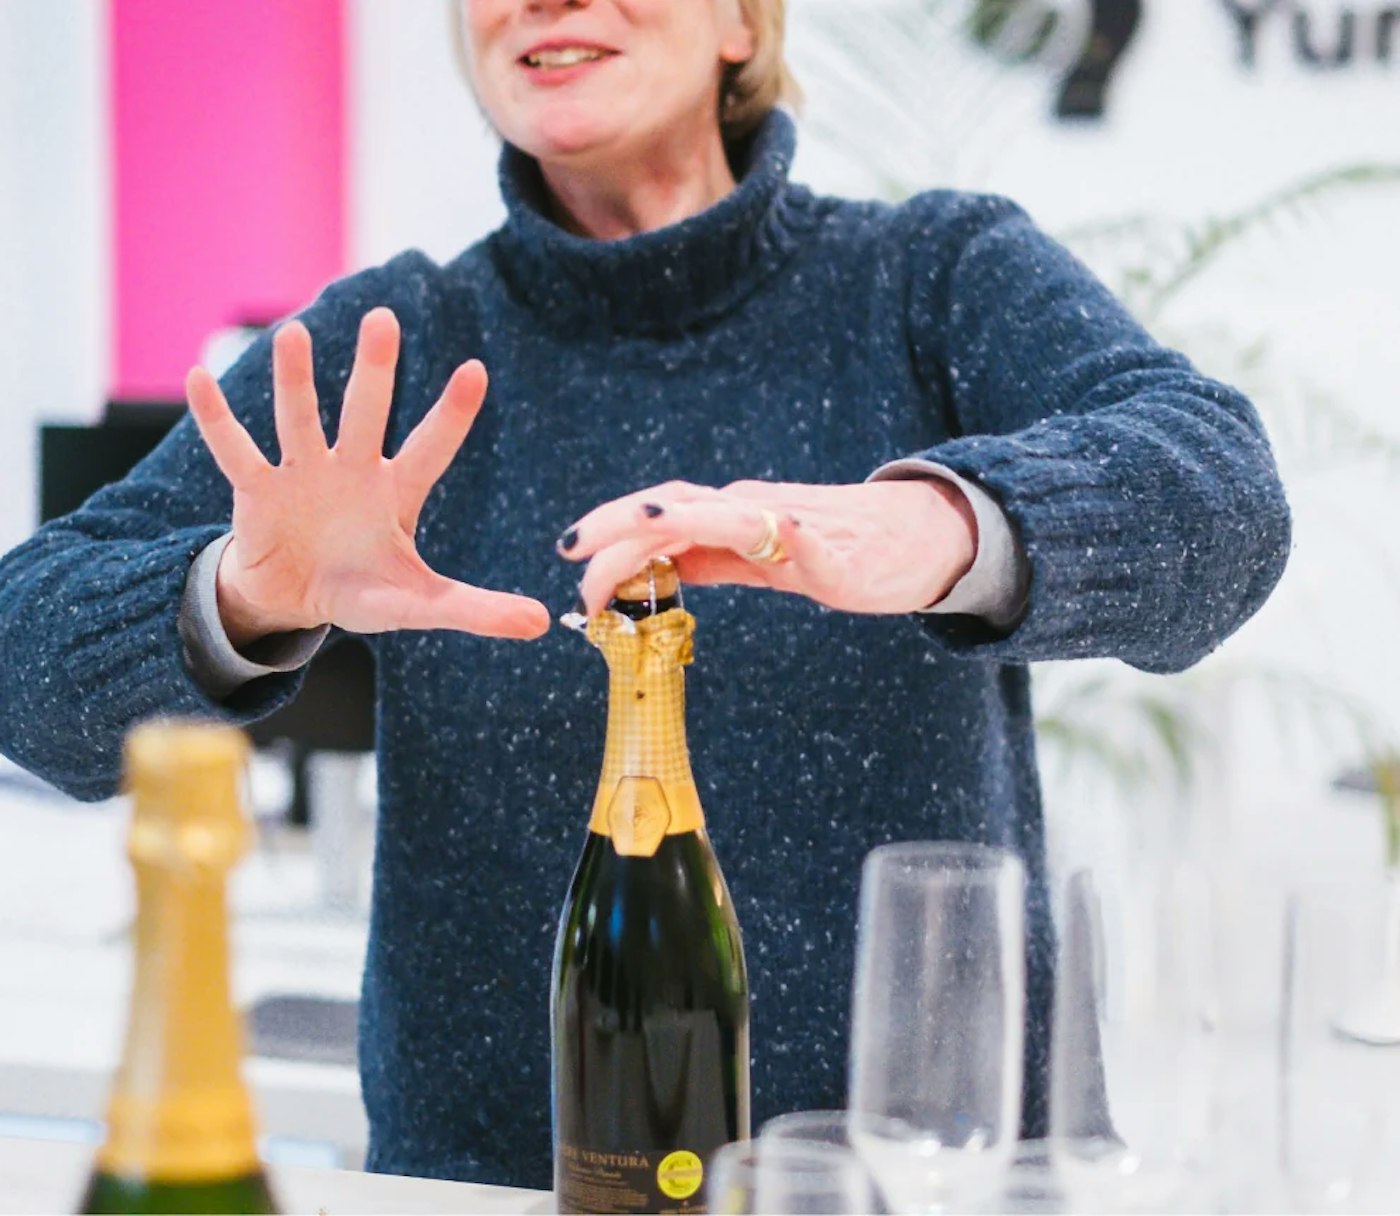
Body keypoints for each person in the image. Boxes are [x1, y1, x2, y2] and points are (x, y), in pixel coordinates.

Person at [0, 0, 1290, 1191]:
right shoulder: (398, 340)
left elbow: (1227, 496)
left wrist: (933, 523)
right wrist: (237, 593)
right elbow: (25, 656)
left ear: (742, 21)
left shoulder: (927, 278)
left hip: (924, 1185)